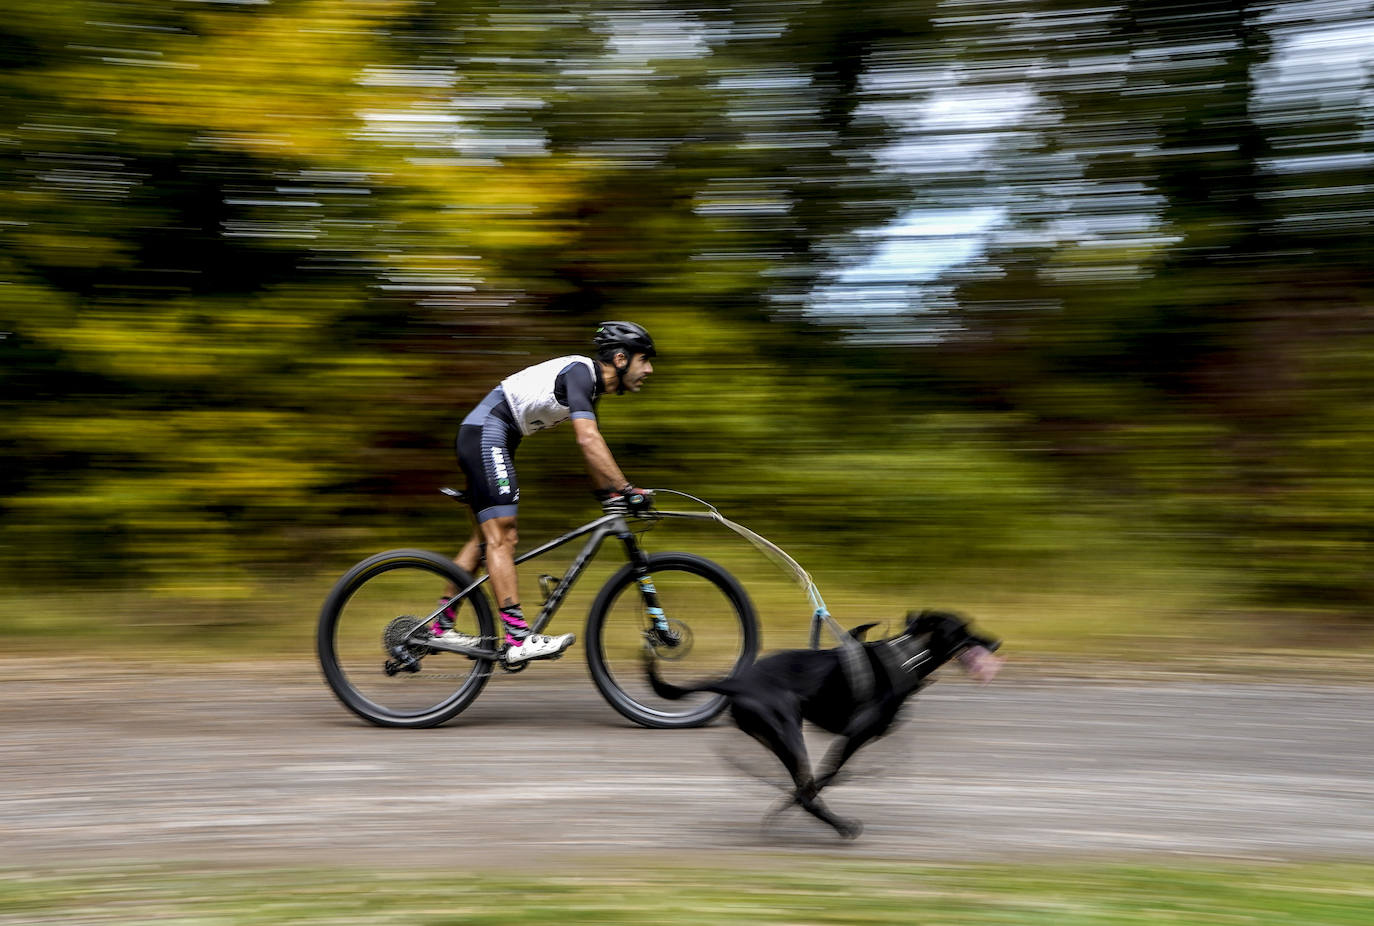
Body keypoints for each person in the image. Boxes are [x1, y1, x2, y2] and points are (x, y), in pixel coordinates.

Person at [432, 321, 657, 665]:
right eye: (645, 360)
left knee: (484, 541)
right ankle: (517, 637)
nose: (650, 369)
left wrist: (609, 497)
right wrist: (626, 489)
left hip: (490, 436)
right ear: (622, 358)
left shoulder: (590, 388)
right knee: (503, 535)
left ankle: (439, 627)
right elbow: (588, 439)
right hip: (485, 434)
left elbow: (591, 452)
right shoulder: (581, 373)